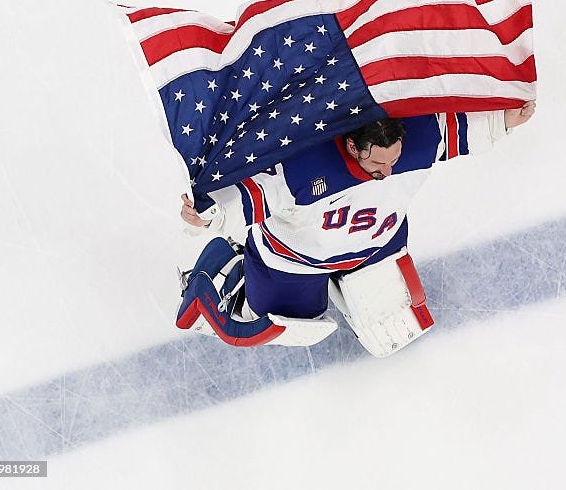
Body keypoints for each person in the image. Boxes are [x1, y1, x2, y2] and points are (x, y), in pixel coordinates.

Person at [176, 102, 535, 355]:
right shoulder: (301, 163)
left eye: (394, 158)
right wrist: (208, 216)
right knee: (277, 324)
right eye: (379, 162)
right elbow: (245, 196)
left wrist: (505, 119)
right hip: (296, 260)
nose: (390, 171)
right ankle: (226, 267)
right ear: (352, 146)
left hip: (377, 243)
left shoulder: (419, 138)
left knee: (394, 325)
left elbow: (459, 130)